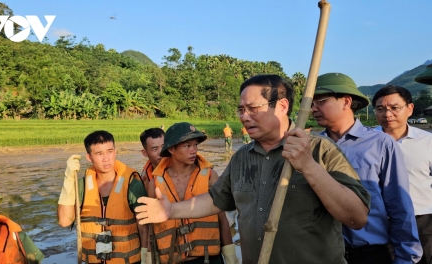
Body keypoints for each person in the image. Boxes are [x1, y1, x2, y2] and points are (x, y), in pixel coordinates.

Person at [135, 74, 371, 264]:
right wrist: (171, 211)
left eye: (253, 108)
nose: (244, 117)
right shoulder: (242, 157)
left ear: (282, 105)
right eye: (241, 110)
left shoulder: (320, 150)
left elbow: (356, 217)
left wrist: (308, 166)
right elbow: (218, 199)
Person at [312, 73, 422, 264]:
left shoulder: (380, 144)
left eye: (320, 101)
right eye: (311, 103)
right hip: (324, 254)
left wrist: (405, 257)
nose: (313, 108)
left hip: (370, 254)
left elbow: (399, 205)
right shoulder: (312, 147)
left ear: (346, 102)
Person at [146, 122, 238, 264]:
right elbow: (151, 227)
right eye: (187, 146)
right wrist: (148, 258)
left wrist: (230, 253)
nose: (194, 150)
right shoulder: (154, 185)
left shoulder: (210, 176)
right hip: (172, 259)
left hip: (208, 258)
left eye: (195, 145)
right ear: (171, 149)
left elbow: (222, 218)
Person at [57, 130, 149, 264]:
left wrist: (146, 258)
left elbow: (144, 228)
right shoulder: (81, 186)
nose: (106, 158)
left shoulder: (132, 185)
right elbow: (65, 221)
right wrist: (69, 180)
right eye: (99, 154)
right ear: (89, 157)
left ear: (115, 151)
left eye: (110, 151)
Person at [372, 85, 432, 264]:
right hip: (381, 223)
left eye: (394, 108)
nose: (387, 114)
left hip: (423, 222)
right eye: (380, 109)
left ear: (410, 109)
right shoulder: (366, 143)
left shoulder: (428, 142)